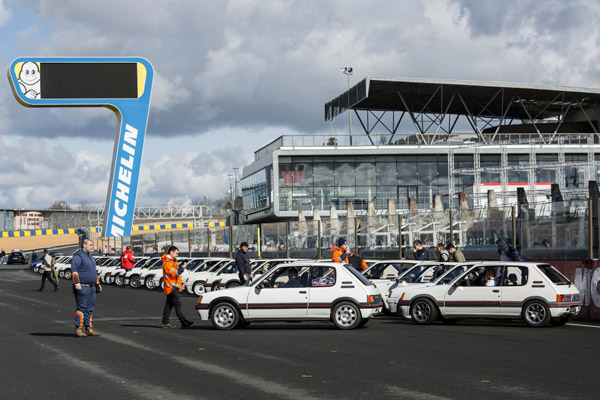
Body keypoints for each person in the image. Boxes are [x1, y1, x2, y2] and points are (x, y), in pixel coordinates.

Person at [71, 239, 102, 337]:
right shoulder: (78, 256)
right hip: (82, 287)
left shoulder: (90, 257)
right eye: (90, 245)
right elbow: (74, 270)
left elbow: (93, 272)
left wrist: (97, 283)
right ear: (84, 245)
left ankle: (88, 328)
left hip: (92, 287)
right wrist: (77, 282)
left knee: (90, 308)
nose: (92, 247)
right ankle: (78, 329)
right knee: (82, 307)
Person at [161, 246, 194, 329]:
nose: (177, 255)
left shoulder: (171, 262)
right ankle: (183, 321)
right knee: (177, 304)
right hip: (172, 288)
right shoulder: (168, 262)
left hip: (172, 287)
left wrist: (180, 267)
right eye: (176, 253)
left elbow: (175, 273)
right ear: (171, 252)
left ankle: (165, 322)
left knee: (169, 305)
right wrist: (181, 269)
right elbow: (174, 273)